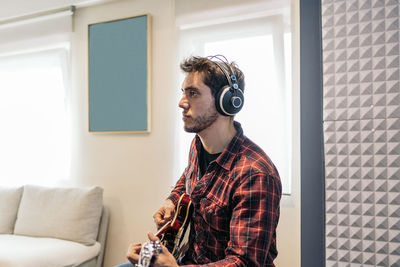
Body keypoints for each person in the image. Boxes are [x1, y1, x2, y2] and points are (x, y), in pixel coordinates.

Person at [120, 55, 282, 267]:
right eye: (183, 93)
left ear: (226, 102)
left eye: (193, 93)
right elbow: (189, 177)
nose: (181, 103)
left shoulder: (255, 174)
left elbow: (244, 263)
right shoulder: (198, 145)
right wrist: (172, 200)